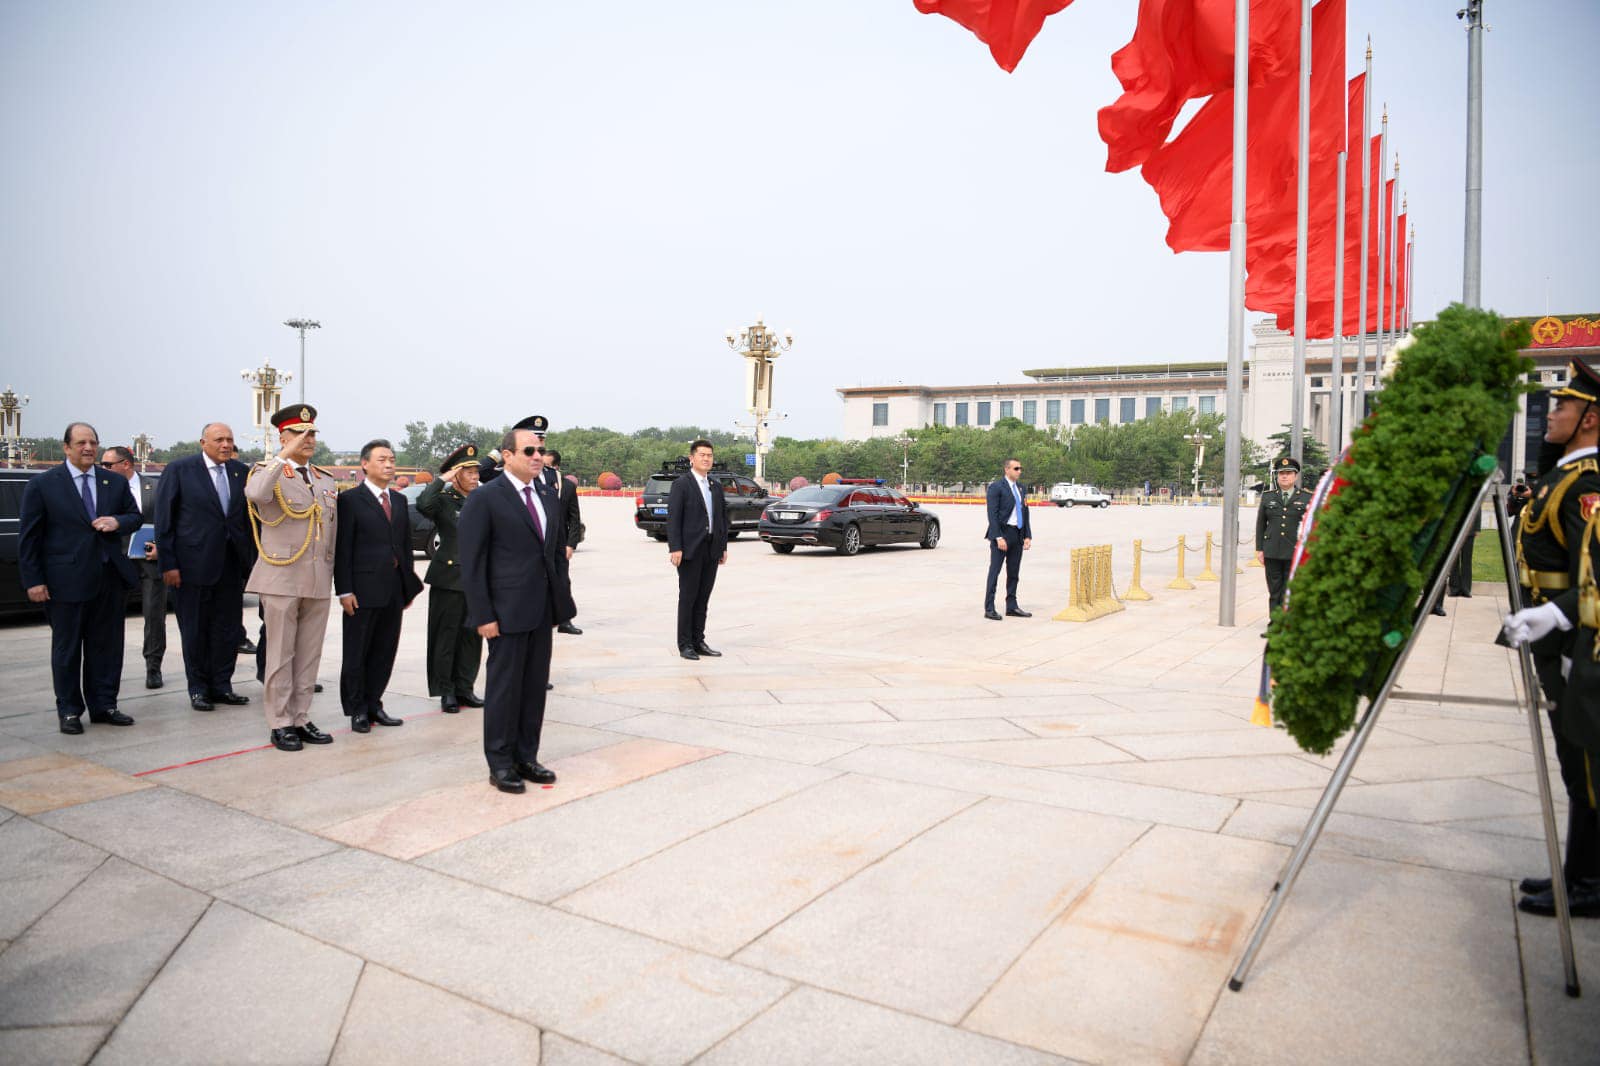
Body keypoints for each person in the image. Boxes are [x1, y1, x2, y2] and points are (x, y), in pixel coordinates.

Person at [1501, 357, 1600, 917]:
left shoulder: (1588, 483)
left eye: (1564, 405)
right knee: (1573, 759)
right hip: (1553, 636)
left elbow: (1595, 572)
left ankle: (1589, 881)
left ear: (1591, 418)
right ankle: (1576, 871)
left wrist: (1556, 618)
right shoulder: (1563, 474)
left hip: (1577, 639)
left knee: (1586, 763)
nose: (1553, 411)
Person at [459, 423, 573, 793]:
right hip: (504, 613)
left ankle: (527, 756)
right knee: (505, 690)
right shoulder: (486, 497)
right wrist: (483, 614)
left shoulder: (547, 495)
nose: (538, 456)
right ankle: (500, 762)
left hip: (540, 610)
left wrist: (559, 604)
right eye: (529, 451)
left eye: (540, 450)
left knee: (534, 688)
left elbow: (554, 554)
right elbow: (472, 562)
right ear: (507, 455)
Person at [18, 422, 142, 734]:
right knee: (67, 649)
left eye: (93, 443)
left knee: (107, 648)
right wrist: (33, 580)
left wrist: (117, 522)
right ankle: (70, 711)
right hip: (65, 582)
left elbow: (135, 516)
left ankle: (104, 705)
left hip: (108, 580)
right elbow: (29, 538)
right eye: (81, 443)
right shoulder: (44, 485)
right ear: (66, 447)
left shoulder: (113, 481)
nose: (88, 448)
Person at [245, 404, 339, 753]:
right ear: (283, 437)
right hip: (281, 577)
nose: (308, 439)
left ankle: (300, 717)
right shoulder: (267, 472)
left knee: (309, 655)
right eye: (300, 434)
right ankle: (280, 721)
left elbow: (331, 532)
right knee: (281, 654)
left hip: (317, 578)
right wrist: (282, 457)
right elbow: (256, 495)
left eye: (311, 433)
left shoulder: (324, 479)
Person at [152, 422, 255, 711]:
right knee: (195, 631)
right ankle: (198, 688)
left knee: (228, 630)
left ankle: (222, 685)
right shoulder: (180, 470)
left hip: (231, 566)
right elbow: (164, 521)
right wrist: (168, 564)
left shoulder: (240, 472)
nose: (226, 445)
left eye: (229, 439)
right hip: (191, 567)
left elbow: (247, 520)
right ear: (203, 443)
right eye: (219, 439)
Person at [334, 439, 423, 733]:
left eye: (392, 460)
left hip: (393, 589)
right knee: (357, 652)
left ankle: (374, 703)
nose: (389, 464)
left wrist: (407, 585)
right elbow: (343, 549)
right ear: (365, 464)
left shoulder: (398, 500)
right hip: (361, 590)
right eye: (382, 459)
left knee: (385, 651)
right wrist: (344, 590)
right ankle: (357, 708)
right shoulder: (350, 500)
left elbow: (405, 546)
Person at [416, 444, 485, 713]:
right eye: (468, 472)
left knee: (471, 638)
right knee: (446, 637)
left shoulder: (481, 500)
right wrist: (442, 478)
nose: (475, 477)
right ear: (456, 475)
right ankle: (446, 691)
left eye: (476, 472)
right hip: (449, 578)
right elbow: (424, 504)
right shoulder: (444, 500)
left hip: (477, 580)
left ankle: (465, 688)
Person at [102, 446, 167, 689]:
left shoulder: (155, 487)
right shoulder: (103, 489)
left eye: (108, 465)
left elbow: (168, 521)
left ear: (126, 464)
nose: (103, 469)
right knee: (110, 618)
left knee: (154, 616)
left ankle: (153, 667)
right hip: (117, 563)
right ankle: (108, 670)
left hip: (150, 561)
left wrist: (161, 547)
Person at [666, 439, 728, 660]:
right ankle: (685, 644)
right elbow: (674, 518)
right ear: (692, 458)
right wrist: (675, 547)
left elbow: (722, 519)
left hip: (711, 549)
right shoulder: (682, 484)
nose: (706, 459)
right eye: (702, 455)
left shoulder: (715, 486)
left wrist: (722, 546)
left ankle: (698, 640)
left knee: (703, 598)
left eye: (710, 455)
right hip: (689, 550)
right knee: (688, 598)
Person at [1255, 455, 1313, 622]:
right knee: (1274, 590)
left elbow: (1309, 526)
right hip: (1272, 550)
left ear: (1295, 476)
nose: (1284, 476)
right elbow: (1261, 524)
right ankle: (1275, 623)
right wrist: (1259, 549)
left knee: (1289, 589)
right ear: (1277, 476)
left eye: (1288, 473)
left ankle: (1287, 623)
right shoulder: (1268, 497)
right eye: (1281, 473)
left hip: (1294, 551)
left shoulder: (1306, 497)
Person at [983, 458, 1033, 620]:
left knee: (1013, 572)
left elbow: (1025, 512)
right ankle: (989, 608)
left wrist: (1027, 535)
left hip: (1017, 534)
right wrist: (998, 537)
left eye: (1020, 468)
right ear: (1007, 469)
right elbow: (992, 514)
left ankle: (1012, 606)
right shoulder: (996, 487)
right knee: (995, 571)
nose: (1019, 471)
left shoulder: (1021, 488)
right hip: (1002, 534)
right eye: (1016, 468)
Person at [544, 447, 584, 636]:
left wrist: (571, 544)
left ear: (556, 467)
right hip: (540, 542)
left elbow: (574, 518)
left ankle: (564, 620)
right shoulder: (535, 483)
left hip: (560, 543)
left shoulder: (567, 487)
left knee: (562, 581)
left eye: (547, 465)